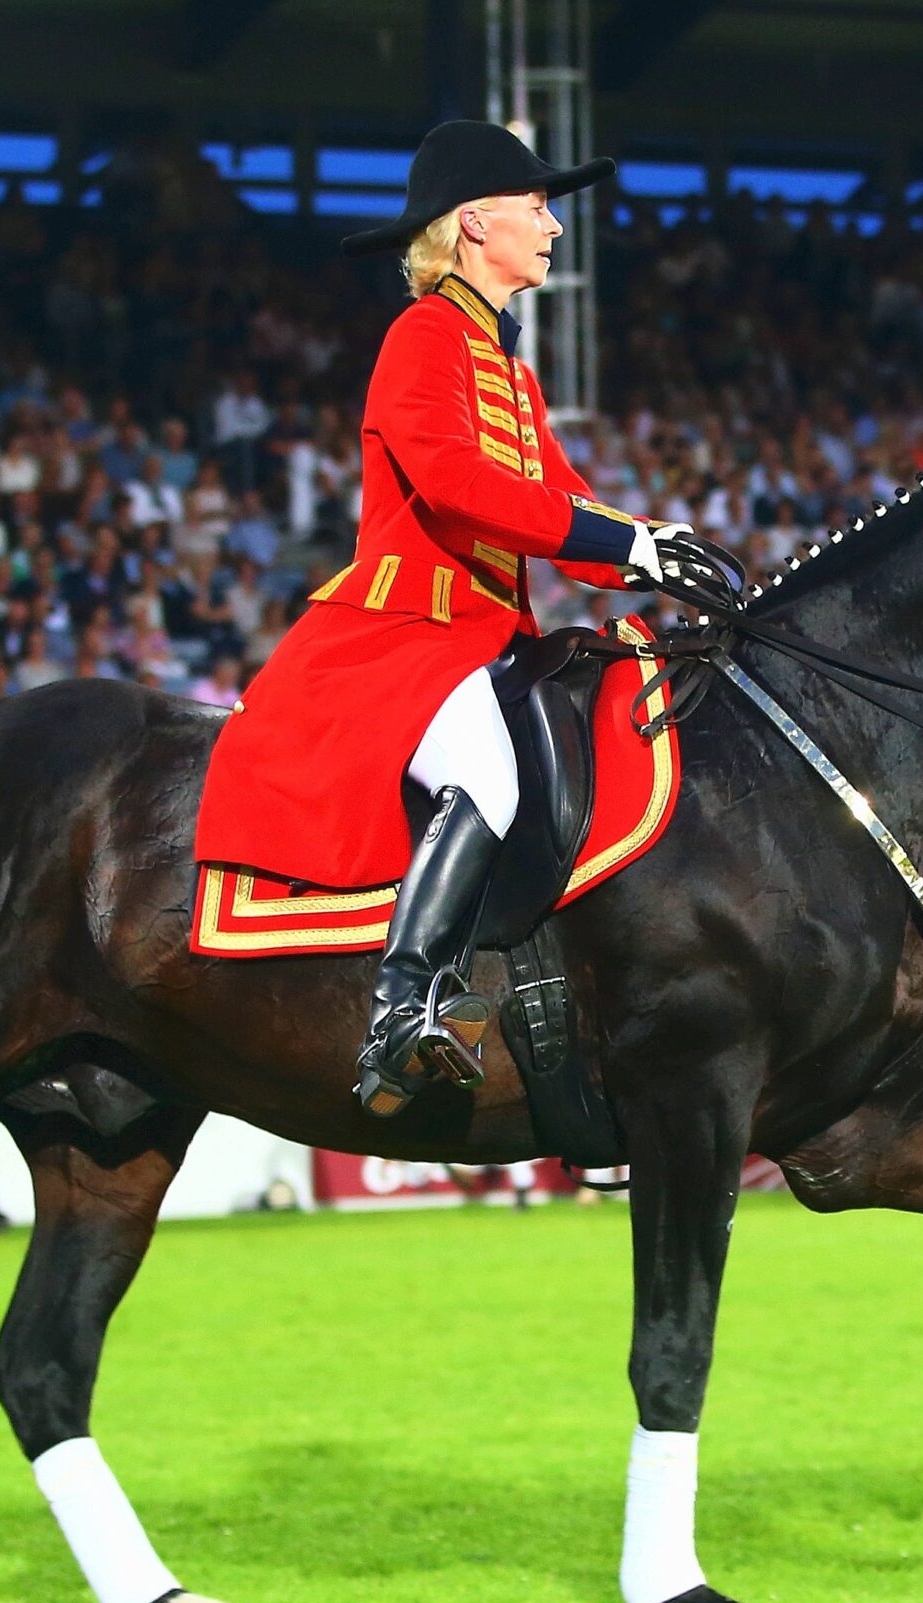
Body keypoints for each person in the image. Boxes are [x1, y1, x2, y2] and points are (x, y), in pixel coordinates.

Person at [192, 120, 703, 1117]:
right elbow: (459, 487)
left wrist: (656, 545)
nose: (553, 227)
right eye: (537, 207)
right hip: (408, 634)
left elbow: (559, 497)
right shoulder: (422, 336)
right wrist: (625, 547)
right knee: (485, 777)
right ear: (476, 224)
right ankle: (404, 1007)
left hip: (481, 634)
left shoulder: (505, 364)